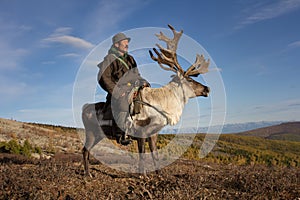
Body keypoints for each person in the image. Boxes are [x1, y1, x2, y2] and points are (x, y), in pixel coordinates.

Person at [97, 32, 148, 145]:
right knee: (123, 104)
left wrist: (143, 82)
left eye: (127, 42)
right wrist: (117, 91)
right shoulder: (109, 59)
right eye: (124, 42)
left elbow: (136, 75)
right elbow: (103, 78)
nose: (127, 44)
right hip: (119, 91)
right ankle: (121, 134)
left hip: (133, 89)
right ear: (116, 45)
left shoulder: (130, 59)